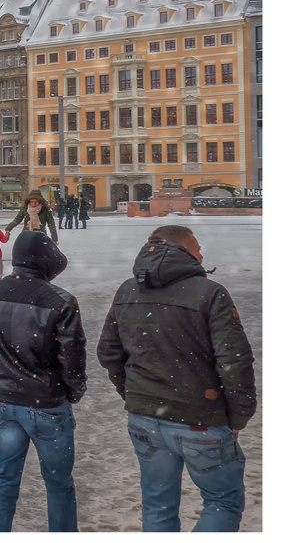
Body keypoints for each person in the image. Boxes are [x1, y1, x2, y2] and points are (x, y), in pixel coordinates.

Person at [96, 224, 256, 531]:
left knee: (158, 505)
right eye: (196, 248)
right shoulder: (209, 293)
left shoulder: (128, 289)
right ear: (182, 250)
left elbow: (109, 352)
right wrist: (237, 417)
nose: (201, 253)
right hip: (201, 417)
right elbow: (234, 361)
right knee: (223, 502)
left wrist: (135, 394)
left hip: (145, 416)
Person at [0, 230, 85, 531]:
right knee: (59, 484)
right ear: (45, 261)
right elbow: (71, 357)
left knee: (3, 481)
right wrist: (71, 391)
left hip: (3, 403)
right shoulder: (61, 301)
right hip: (47, 404)